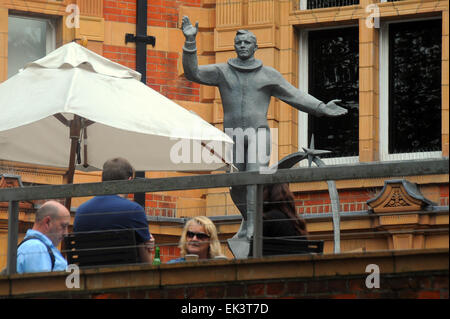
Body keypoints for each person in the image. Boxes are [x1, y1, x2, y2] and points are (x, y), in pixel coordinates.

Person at [181, 17, 347, 253]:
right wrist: (190, 41)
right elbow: (193, 72)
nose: (243, 46)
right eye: (239, 42)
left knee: (253, 179)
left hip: (258, 133)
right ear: (234, 45)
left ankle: (254, 226)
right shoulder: (222, 71)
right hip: (233, 135)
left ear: (255, 46)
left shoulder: (268, 74)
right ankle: (249, 219)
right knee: (235, 184)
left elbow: (295, 95)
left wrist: (321, 107)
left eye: (247, 42)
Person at [73, 157, 155, 263]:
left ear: (102, 180)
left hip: (88, 278)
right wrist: (148, 245)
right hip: (126, 277)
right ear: (129, 181)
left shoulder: (81, 211)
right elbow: (146, 263)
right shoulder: (134, 210)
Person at [17, 200, 70, 274]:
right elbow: (41, 284)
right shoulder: (36, 248)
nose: (66, 233)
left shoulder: (39, 247)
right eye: (63, 226)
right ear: (47, 222)